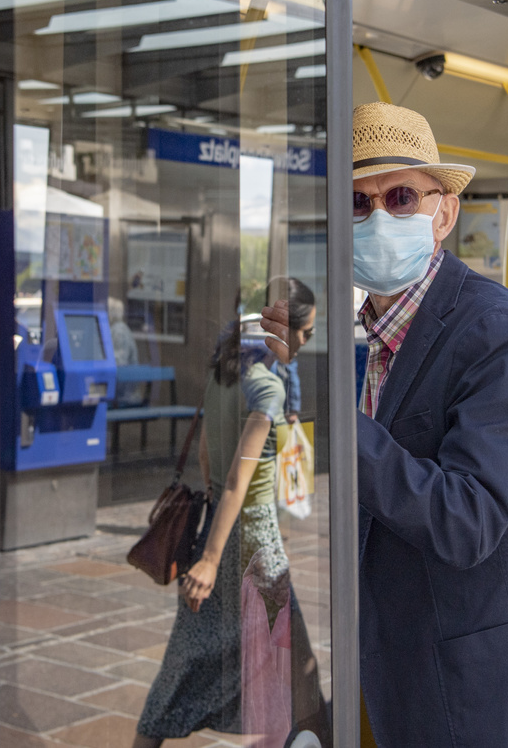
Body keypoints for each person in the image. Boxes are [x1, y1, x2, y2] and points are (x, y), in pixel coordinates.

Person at [260, 103, 508, 746]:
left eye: (401, 196)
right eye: (358, 203)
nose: (378, 216)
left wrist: (329, 399)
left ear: (444, 212)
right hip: (441, 681)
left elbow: (465, 520)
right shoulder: (377, 337)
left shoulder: (499, 331)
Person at [135, 278, 329, 748]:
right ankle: (323, 737)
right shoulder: (267, 390)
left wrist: (209, 552)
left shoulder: (225, 372)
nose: (306, 342)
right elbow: (241, 483)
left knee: (185, 659)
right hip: (255, 543)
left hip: (217, 540)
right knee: (300, 662)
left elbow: (207, 460)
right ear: (281, 328)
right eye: (304, 332)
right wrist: (210, 559)